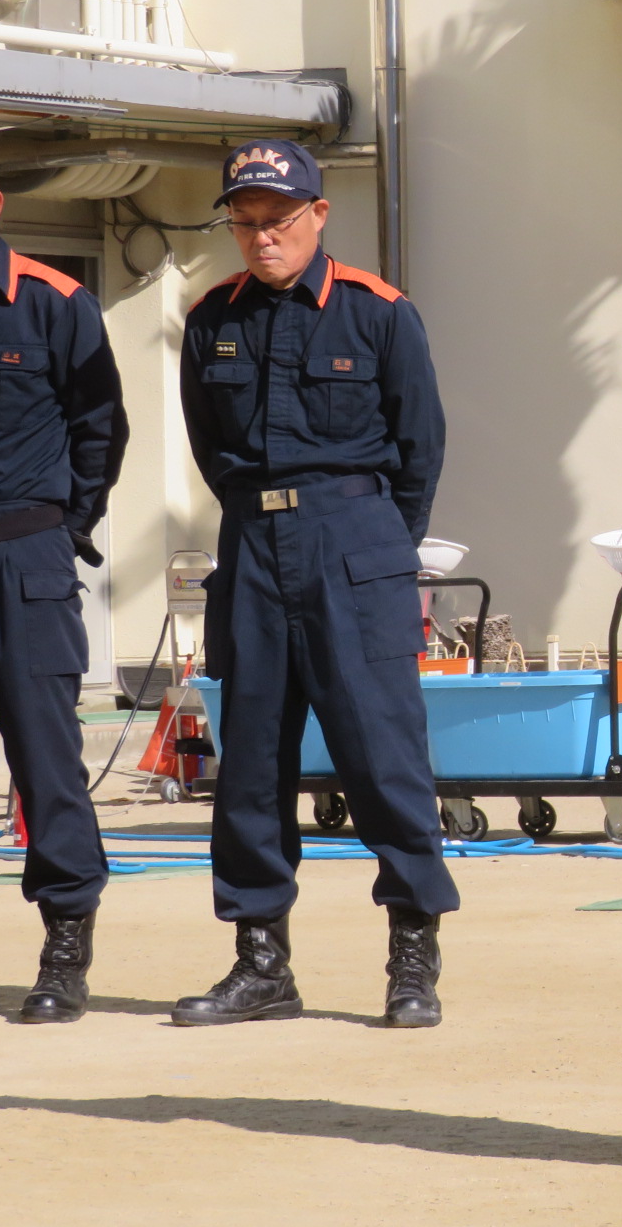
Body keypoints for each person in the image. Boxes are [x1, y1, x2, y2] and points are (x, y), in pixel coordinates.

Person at [173, 139, 456, 1028]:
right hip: (253, 545)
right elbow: (210, 449)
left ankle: (412, 958)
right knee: (251, 761)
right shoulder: (211, 318)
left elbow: (421, 450)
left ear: (318, 217)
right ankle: (262, 963)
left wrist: (371, 546)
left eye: (278, 221)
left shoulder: (378, 313)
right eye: (244, 223)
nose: (260, 239)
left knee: (383, 758)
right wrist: (268, 521)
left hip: (354, 545)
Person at [0, 131, 127, 1024]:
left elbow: (101, 432)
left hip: (23, 561)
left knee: (48, 764)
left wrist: (61, 532)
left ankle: (64, 950)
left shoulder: (55, 303)